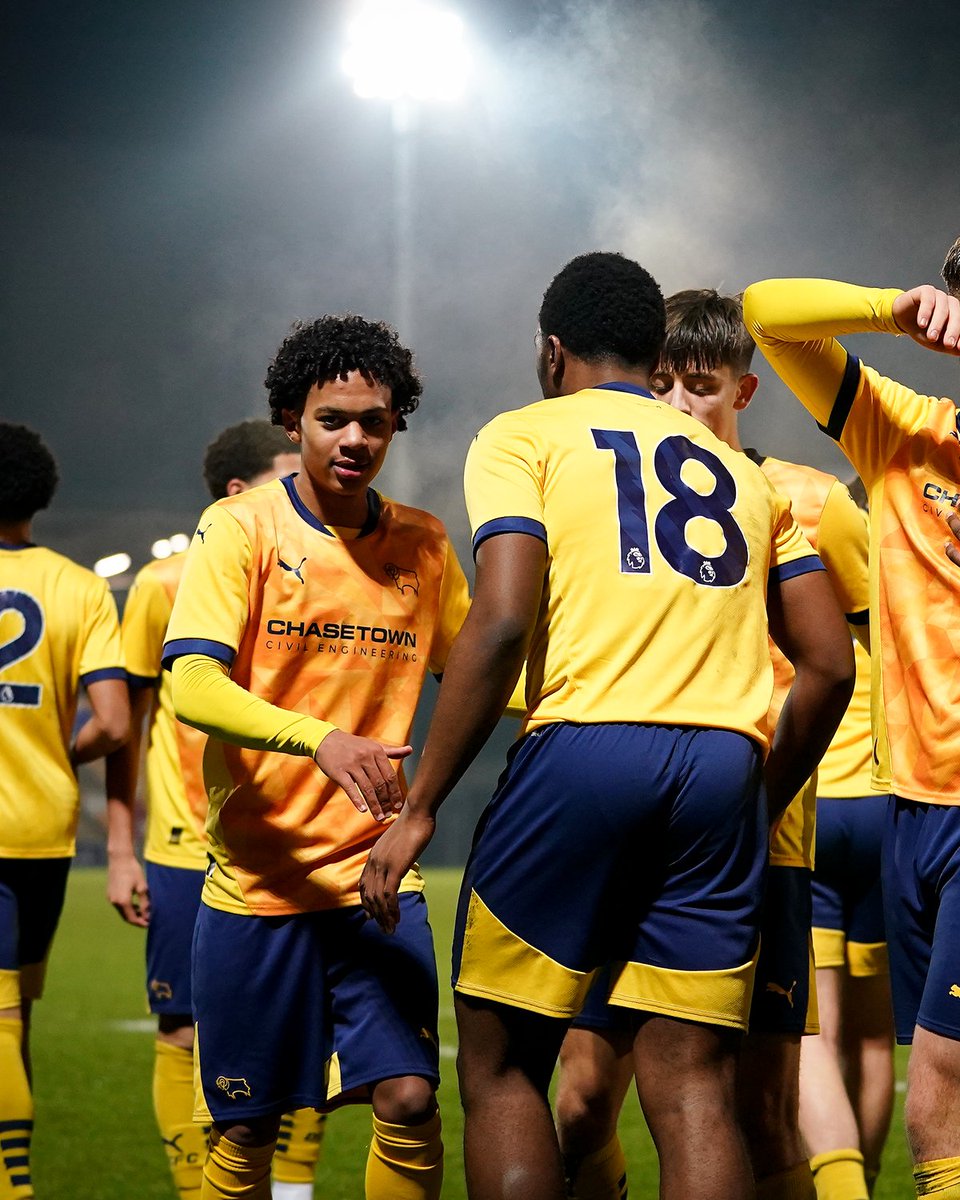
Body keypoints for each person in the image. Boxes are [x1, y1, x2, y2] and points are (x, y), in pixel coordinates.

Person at [360, 252, 856, 1200]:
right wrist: (758, 797)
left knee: (505, 1069)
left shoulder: (524, 435)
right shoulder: (745, 476)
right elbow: (830, 664)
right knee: (695, 1089)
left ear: (553, 351)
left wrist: (419, 807)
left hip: (584, 749)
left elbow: (502, 619)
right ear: (651, 353)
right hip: (722, 768)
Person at [553, 288, 874, 1200]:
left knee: (758, 1112)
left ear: (744, 390)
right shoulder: (609, 489)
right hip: (626, 830)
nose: (678, 404)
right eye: (661, 384)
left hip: (764, 841)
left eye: (698, 385)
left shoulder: (811, 501)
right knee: (582, 1102)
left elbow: (881, 645)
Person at [161, 314, 469, 1200]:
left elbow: (483, 680)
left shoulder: (423, 543)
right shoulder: (240, 527)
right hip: (259, 882)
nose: (355, 439)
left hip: (377, 875)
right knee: (247, 1129)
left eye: (374, 421)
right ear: (293, 420)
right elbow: (192, 685)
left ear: (395, 424)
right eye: (333, 420)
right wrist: (319, 738)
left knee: (410, 1098)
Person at [743, 275, 960, 1200]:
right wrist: (891, 311)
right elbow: (765, 314)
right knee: (920, 1075)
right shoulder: (903, 432)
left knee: (938, 1092)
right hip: (912, 808)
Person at [104, 420, 328, 1200]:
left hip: (290, 836)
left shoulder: (320, 568)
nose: (301, 489)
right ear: (236, 493)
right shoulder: (163, 584)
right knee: (182, 1030)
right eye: (285, 475)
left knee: (305, 1024)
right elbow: (129, 724)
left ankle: (293, 1193)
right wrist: (122, 848)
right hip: (182, 844)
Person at [0, 423, 129, 1200]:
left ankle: (11, 1187)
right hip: (42, 829)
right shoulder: (79, 587)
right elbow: (112, 723)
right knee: (14, 1014)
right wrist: (54, 750)